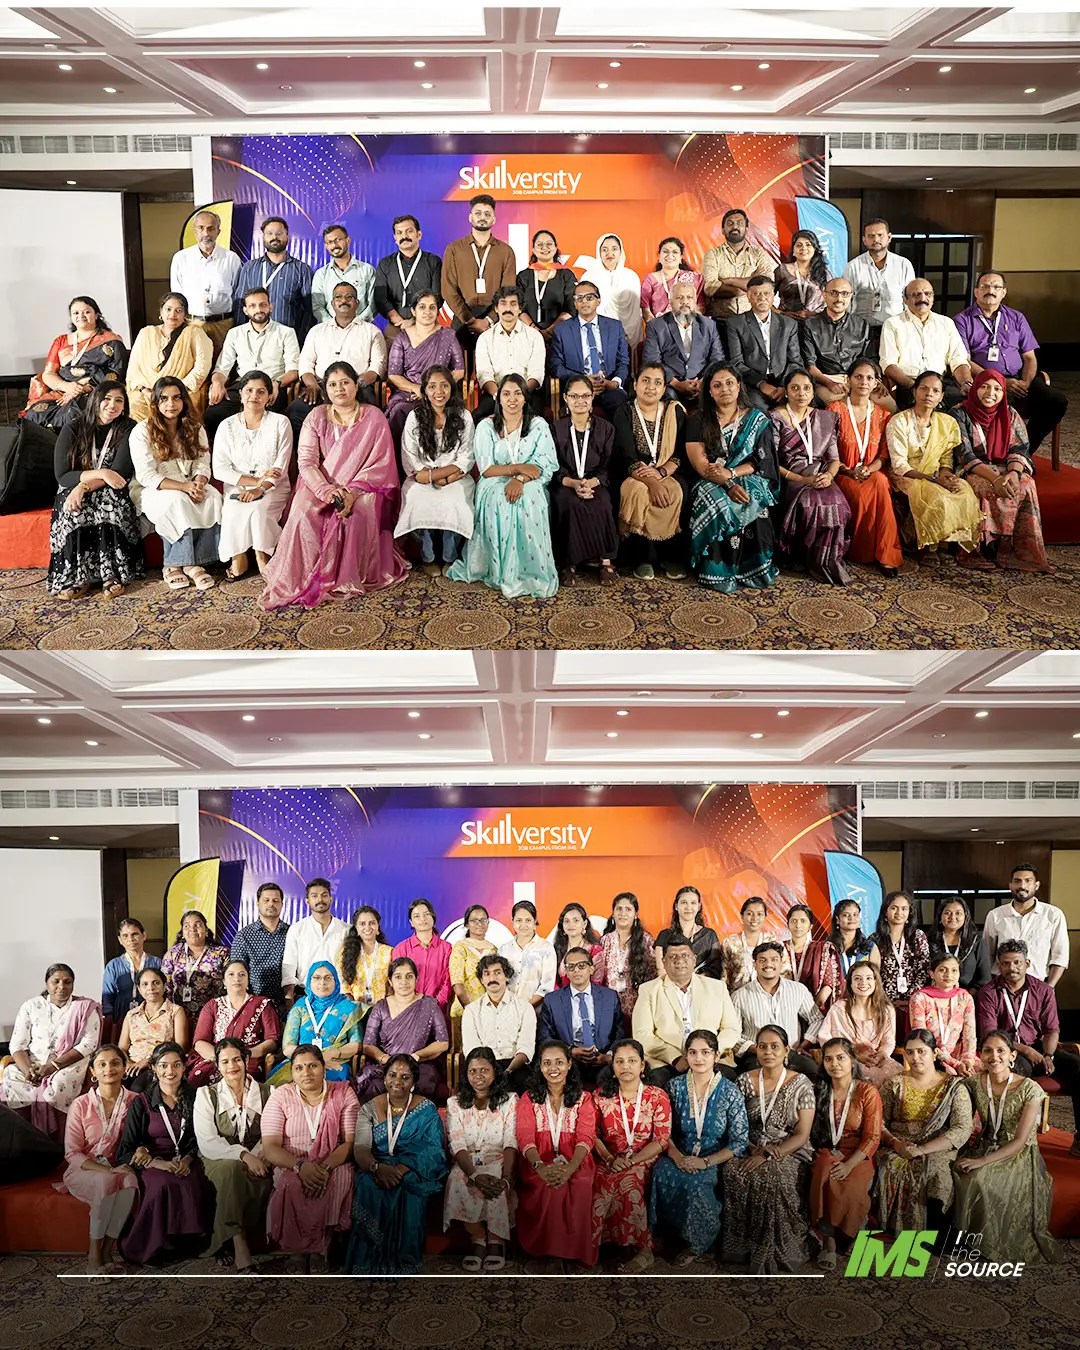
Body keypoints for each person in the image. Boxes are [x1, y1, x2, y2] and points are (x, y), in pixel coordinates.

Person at [261, 362, 408, 610]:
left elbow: (380, 466)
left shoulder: (373, 417)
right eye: (332, 384)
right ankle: (304, 575)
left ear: (356, 385)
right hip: (319, 484)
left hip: (362, 487)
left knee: (359, 512)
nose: (339, 389)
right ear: (326, 389)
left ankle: (349, 576)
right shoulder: (316, 417)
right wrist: (326, 491)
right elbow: (307, 462)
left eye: (345, 382)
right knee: (302, 512)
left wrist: (351, 493)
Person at [952, 1030, 1062, 1264]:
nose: (994, 1056)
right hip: (983, 1144)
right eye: (988, 1051)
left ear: (1012, 1056)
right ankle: (961, 1238)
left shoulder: (1030, 1089)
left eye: (1001, 1050)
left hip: (1017, 1153)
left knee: (980, 1177)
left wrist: (981, 1161)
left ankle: (986, 1243)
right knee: (954, 1171)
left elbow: (1020, 1141)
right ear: (980, 1055)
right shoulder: (973, 1083)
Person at [446, 373, 558, 600]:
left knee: (531, 497)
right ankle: (500, 571)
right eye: (506, 394)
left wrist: (520, 479)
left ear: (525, 397)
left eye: (517, 393)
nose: (512, 399)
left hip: (529, 481)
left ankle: (531, 571)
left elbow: (544, 464)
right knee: (500, 498)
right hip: (493, 481)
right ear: (498, 398)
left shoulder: (538, 425)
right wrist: (518, 468)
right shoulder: (486, 426)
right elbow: (487, 469)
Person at [648, 1029, 748, 1265]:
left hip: (713, 1158)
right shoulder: (674, 1087)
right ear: (686, 1055)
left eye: (705, 1052)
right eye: (692, 1052)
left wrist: (705, 1162)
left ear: (716, 1055)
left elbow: (739, 1140)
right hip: (679, 1154)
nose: (699, 1058)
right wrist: (677, 1157)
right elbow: (663, 1129)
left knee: (695, 1182)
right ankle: (664, 1235)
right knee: (660, 1170)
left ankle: (697, 1243)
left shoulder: (730, 1092)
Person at [345, 1053, 448, 1274]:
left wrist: (401, 1169)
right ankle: (368, 1260)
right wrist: (377, 1168)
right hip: (376, 1165)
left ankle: (404, 1260)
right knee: (368, 1185)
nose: (397, 1081)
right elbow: (361, 1149)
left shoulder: (427, 1109)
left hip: (412, 1167)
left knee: (410, 1187)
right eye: (392, 1075)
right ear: (384, 1078)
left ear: (414, 1082)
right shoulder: (368, 1109)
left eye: (405, 1077)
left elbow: (433, 1150)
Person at [724, 1025, 816, 1274]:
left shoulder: (801, 1084)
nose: (768, 1052)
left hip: (788, 1149)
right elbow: (736, 1124)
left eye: (775, 1046)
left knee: (773, 1175)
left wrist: (768, 1154)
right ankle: (741, 1247)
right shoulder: (744, 1081)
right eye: (762, 1046)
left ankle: (774, 1249)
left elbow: (802, 1135)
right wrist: (752, 1148)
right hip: (749, 1145)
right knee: (733, 1170)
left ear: (786, 1050)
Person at [976, 938, 1080, 1157]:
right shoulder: (989, 992)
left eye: (1017, 962)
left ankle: (1079, 1137)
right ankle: (1006, 1138)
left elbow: (1051, 1030)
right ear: (999, 965)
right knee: (1014, 1071)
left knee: (1077, 1066)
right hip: (1006, 1050)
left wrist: (1048, 1055)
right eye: (1005, 963)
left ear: (1027, 963)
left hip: (1041, 1047)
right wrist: (1026, 1051)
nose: (1011, 968)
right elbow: (990, 1034)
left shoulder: (1043, 990)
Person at [260, 1044, 357, 1271]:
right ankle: (298, 1249)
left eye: (313, 1066)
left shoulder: (343, 1093)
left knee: (340, 1178)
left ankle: (321, 1247)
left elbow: (349, 1143)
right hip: (291, 1163)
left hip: (333, 1162)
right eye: (299, 1068)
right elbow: (271, 1147)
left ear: (324, 1068)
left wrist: (324, 1168)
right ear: (292, 1072)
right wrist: (300, 1166)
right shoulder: (281, 1096)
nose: (306, 1072)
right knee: (290, 1182)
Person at [686, 362, 779, 593]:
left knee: (754, 496)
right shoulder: (699, 419)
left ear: (739, 386)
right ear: (709, 391)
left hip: (746, 473)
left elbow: (762, 461)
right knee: (715, 501)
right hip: (710, 478)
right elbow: (701, 465)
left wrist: (732, 473)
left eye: (729, 383)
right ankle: (717, 571)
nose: (724, 389)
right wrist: (727, 484)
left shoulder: (757, 418)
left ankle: (755, 568)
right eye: (717, 385)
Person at [47, 380, 144, 600]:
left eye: (119, 400)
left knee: (109, 506)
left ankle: (113, 575)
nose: (112, 405)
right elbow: (63, 475)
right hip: (74, 485)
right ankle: (78, 578)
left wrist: (85, 486)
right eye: (106, 399)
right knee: (73, 511)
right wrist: (100, 474)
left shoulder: (129, 428)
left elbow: (118, 473)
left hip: (111, 486)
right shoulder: (73, 427)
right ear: (95, 400)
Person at [954, 270, 1068, 454]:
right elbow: (964, 360)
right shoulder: (962, 320)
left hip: (1018, 380)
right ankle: (990, 453)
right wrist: (1000, 383)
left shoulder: (1016, 317)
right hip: (984, 383)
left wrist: (1025, 383)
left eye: (996, 287)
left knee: (1056, 401)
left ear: (1003, 292)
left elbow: (1029, 357)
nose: (990, 290)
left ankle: (1022, 452)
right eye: (985, 286)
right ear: (976, 291)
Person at [116, 1041, 209, 1264]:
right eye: (164, 1065)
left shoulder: (196, 1097)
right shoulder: (142, 1102)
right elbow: (126, 1149)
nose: (170, 1071)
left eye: (176, 1065)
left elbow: (202, 1138)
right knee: (162, 1183)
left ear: (184, 1067)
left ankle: (186, 1242)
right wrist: (155, 1162)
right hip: (153, 1162)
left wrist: (187, 1159)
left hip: (188, 1158)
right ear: (154, 1068)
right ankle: (150, 1245)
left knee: (195, 1178)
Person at [129, 377, 222, 593]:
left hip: (189, 482)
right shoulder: (142, 431)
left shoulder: (194, 427)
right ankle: (175, 564)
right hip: (153, 489)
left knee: (213, 497)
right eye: (164, 399)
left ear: (184, 400)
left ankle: (198, 561)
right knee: (177, 501)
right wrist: (185, 488)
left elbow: (202, 463)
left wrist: (199, 483)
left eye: (176, 398)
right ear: (155, 402)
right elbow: (146, 476)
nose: (170, 404)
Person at [875, 1028, 973, 1233]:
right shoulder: (894, 1084)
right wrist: (897, 1145)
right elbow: (878, 1123)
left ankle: (935, 1233)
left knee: (935, 1173)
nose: (915, 1058)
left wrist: (922, 1150)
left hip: (937, 1147)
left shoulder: (954, 1087)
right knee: (889, 1166)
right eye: (910, 1052)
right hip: (898, 1145)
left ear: (935, 1053)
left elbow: (962, 1128)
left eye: (921, 1051)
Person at [952, 370, 1050, 573]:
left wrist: (1013, 474)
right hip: (973, 468)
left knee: (1026, 485)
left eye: (997, 389)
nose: (991, 393)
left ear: (1003, 392)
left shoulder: (1010, 414)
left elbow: (1020, 448)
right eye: (985, 387)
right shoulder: (960, 413)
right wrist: (995, 478)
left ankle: (1012, 550)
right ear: (975, 388)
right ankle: (979, 550)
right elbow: (964, 454)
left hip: (1006, 467)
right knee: (981, 487)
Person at [515, 1040, 598, 1270]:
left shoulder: (584, 1098)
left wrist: (570, 1168)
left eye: (559, 1062)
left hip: (576, 1159)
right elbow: (525, 1137)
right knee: (546, 1186)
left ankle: (574, 1252)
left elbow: (585, 1136)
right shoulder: (529, 1098)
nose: (553, 1068)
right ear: (540, 1067)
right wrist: (541, 1167)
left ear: (569, 1064)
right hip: (537, 1159)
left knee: (580, 1183)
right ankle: (548, 1252)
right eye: (547, 1063)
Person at [591, 1037, 672, 1272]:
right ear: (612, 1066)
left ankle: (643, 1250)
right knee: (598, 1183)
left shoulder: (657, 1096)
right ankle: (597, 1247)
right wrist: (609, 1159)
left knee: (630, 1185)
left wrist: (633, 1161)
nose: (625, 1066)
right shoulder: (600, 1096)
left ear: (642, 1065)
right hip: (609, 1158)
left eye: (632, 1061)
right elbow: (592, 1134)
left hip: (644, 1158)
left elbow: (661, 1139)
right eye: (619, 1061)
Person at [193, 1036, 273, 1272]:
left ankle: (227, 1240)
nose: (232, 1066)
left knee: (264, 1175)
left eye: (237, 1059)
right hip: (217, 1158)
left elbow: (272, 1132)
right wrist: (244, 1156)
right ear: (217, 1065)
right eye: (225, 1061)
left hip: (260, 1156)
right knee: (232, 1170)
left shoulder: (269, 1092)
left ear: (246, 1060)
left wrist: (257, 1155)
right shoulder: (206, 1095)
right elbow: (207, 1142)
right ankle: (239, 1243)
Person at [58, 1044, 138, 1273]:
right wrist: (108, 1171)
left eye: (115, 1063)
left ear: (124, 1067)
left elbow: (140, 1139)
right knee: (106, 1181)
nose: (108, 1069)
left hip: (120, 1167)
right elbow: (72, 1153)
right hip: (84, 1169)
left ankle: (107, 1250)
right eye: (101, 1064)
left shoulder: (135, 1101)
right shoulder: (81, 1104)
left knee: (131, 1182)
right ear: (93, 1071)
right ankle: (94, 1255)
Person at [885, 370, 981, 560]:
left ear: (941, 396)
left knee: (963, 490)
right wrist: (934, 480)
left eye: (935, 391)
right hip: (907, 475)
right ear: (914, 392)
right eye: (924, 389)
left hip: (936, 474)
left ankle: (945, 545)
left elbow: (946, 459)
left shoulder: (947, 423)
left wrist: (946, 475)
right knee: (937, 496)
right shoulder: (899, 421)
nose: (929, 394)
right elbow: (899, 465)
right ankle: (929, 547)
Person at [772, 369, 852, 585]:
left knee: (836, 502)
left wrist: (829, 476)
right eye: (795, 388)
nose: (801, 393)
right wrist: (802, 480)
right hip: (790, 475)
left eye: (806, 388)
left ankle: (826, 559)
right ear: (786, 392)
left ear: (813, 392)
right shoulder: (776, 418)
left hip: (820, 473)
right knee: (810, 502)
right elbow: (771, 462)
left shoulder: (824, 418)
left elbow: (834, 459)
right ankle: (801, 556)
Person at [809, 1037, 882, 1270]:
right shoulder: (819, 1090)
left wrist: (849, 1164)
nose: (835, 1064)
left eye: (841, 1058)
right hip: (827, 1150)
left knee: (851, 1185)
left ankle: (855, 1231)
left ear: (852, 1060)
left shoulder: (867, 1092)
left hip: (858, 1155)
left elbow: (873, 1137)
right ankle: (829, 1241)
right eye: (828, 1059)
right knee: (823, 1170)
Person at [212, 369, 293, 581]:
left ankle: (262, 554)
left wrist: (261, 487)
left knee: (258, 509)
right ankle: (238, 557)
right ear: (240, 394)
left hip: (273, 487)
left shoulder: (280, 422)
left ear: (269, 396)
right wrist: (254, 481)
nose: (254, 396)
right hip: (238, 485)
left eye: (261, 392)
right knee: (233, 508)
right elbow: (220, 469)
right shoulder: (226, 426)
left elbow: (281, 466)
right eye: (249, 390)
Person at [0, 963, 100, 1133]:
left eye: (67, 982)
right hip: (33, 1064)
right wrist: (27, 1070)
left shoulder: (84, 1008)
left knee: (58, 1085)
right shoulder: (31, 1006)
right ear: (47, 983)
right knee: (11, 1075)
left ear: (73, 984)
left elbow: (89, 1044)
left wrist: (53, 1066)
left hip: (67, 1064)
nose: (62, 987)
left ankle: (50, 1139)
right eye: (56, 981)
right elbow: (17, 1044)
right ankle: (22, 1134)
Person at [394, 363, 474, 575]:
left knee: (455, 500)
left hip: (455, 477)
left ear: (452, 388)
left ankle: (449, 557)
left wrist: (443, 477)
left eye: (444, 386)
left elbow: (467, 456)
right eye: (432, 386)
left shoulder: (464, 416)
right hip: (421, 476)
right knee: (417, 498)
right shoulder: (415, 417)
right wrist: (430, 476)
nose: (439, 392)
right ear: (424, 390)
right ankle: (428, 558)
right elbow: (410, 457)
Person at [443, 1047, 517, 1272]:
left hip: (498, 1158)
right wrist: (474, 1175)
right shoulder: (454, 1103)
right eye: (473, 1071)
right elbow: (457, 1144)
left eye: (484, 1070)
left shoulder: (510, 1100)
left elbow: (510, 1141)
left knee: (496, 1178)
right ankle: (477, 1238)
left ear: (495, 1072)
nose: (478, 1076)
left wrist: (507, 1177)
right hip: (469, 1162)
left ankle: (496, 1240)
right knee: (456, 1178)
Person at [612, 363, 689, 579]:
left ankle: (670, 557)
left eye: (657, 382)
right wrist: (652, 483)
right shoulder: (624, 412)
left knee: (675, 492)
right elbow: (626, 456)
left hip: (668, 470)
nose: (651, 387)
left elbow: (681, 452)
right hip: (634, 472)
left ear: (664, 389)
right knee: (638, 492)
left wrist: (662, 473)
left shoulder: (675, 411)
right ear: (635, 384)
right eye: (645, 381)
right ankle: (641, 558)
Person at [633, 939, 740, 1087]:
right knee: (658, 1082)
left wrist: (708, 1053)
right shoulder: (649, 990)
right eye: (673, 957)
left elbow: (732, 1029)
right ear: (663, 962)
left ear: (694, 959)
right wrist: (675, 1058)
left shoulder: (717, 987)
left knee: (726, 1081)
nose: (679, 960)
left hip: (712, 1060)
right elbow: (642, 1034)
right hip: (667, 1062)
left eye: (685, 955)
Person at [288, 282, 388, 441]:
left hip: (358, 387)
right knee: (296, 411)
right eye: (339, 297)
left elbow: (378, 367)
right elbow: (305, 365)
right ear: (332, 303)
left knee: (369, 414)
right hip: (320, 387)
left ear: (357, 303)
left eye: (349, 297)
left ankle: (359, 453)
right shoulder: (316, 331)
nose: (344, 301)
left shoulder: (372, 331)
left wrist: (354, 386)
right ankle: (307, 453)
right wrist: (312, 385)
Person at [830, 357, 902, 576]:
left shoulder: (883, 415)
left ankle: (888, 554)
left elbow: (883, 455)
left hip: (871, 471)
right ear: (848, 380)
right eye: (858, 377)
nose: (863, 382)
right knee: (862, 493)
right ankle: (861, 551)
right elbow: (828, 451)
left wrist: (869, 469)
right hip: (842, 472)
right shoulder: (834, 410)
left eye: (869, 378)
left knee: (880, 482)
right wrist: (848, 470)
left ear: (876, 383)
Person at [550, 375, 619, 584]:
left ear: (592, 397)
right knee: (568, 502)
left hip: (595, 481)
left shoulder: (606, 429)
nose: (580, 401)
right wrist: (573, 483)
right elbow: (553, 465)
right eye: (574, 396)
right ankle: (568, 563)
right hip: (566, 482)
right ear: (565, 398)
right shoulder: (555, 429)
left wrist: (592, 482)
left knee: (603, 501)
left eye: (585, 396)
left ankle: (605, 560)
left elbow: (608, 466)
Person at [205, 287, 300, 438]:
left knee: (264, 420)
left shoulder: (286, 332)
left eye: (263, 305)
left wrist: (277, 383)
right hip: (242, 387)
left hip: (271, 388)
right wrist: (217, 382)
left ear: (270, 306)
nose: (258, 310)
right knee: (213, 415)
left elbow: (293, 370)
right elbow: (222, 368)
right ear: (245, 310)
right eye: (252, 306)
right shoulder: (235, 333)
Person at [22, 295, 126, 430]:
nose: (81, 316)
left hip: (95, 391)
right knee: (34, 414)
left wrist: (83, 388)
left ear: (96, 315)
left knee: (72, 414)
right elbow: (48, 374)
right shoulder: (61, 341)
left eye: (86, 312)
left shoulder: (112, 341)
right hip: (62, 391)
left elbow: (116, 374)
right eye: (76, 313)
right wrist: (67, 387)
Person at [355, 957, 449, 1103]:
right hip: (386, 1064)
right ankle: (380, 1117)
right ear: (390, 981)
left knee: (421, 1082)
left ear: (416, 979)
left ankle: (416, 1117)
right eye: (398, 977)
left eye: (409, 976)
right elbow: (368, 1045)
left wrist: (417, 1056)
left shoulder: (429, 1005)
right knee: (376, 1085)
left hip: (419, 1064)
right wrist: (384, 1059)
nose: (404, 982)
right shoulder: (380, 1007)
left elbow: (442, 1043)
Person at [441, 194, 517, 358]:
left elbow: (508, 291)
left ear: (494, 219)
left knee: (495, 369)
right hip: (462, 319)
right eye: (478, 213)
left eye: (487, 214)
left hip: (495, 320)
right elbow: (448, 289)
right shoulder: (454, 249)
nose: (482, 217)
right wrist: (470, 320)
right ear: (470, 217)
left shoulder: (506, 251)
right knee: (460, 370)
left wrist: (489, 320)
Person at [733, 941, 823, 1078]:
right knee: (749, 1078)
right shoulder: (739, 996)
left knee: (816, 1074)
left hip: (790, 1053)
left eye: (774, 959)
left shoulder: (798, 990)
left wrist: (804, 1044)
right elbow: (733, 1034)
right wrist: (757, 1049)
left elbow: (817, 1019)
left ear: (781, 963)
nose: (768, 964)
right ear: (754, 965)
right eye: (762, 960)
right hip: (757, 1056)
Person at [384, 291, 464, 445]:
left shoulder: (448, 335)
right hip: (410, 392)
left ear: (437, 311)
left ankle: (445, 455)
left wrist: (438, 387)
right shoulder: (402, 337)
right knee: (399, 409)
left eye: (432, 307)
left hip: (441, 393)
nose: (427, 311)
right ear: (413, 311)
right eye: (422, 307)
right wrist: (416, 388)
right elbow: (394, 374)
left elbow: (459, 370)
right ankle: (400, 458)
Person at [187, 958, 281, 1088]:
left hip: (248, 1059)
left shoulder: (262, 1004)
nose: (237, 979)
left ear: (248, 980)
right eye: (231, 974)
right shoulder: (212, 1006)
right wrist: (222, 1059)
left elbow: (272, 1040)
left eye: (242, 974)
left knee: (244, 1078)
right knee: (198, 1078)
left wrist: (245, 1055)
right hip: (215, 1058)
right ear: (224, 981)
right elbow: (199, 1042)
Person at [881, 280, 973, 409]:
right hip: (909, 384)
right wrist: (915, 387)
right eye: (916, 295)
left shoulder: (946, 323)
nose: (922, 298)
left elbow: (958, 360)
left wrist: (966, 383)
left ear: (933, 298)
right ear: (905, 300)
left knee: (964, 405)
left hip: (941, 383)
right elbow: (888, 364)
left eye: (927, 294)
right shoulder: (893, 324)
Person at [538, 948, 623, 1086]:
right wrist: (569, 1051)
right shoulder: (552, 1000)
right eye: (571, 967)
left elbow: (619, 1031)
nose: (576, 970)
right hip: (569, 1060)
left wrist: (609, 1056)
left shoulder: (609, 996)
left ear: (591, 969)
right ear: (566, 972)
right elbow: (545, 1037)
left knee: (608, 1079)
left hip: (603, 1058)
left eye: (581, 966)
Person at [126, 292, 213, 423]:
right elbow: (134, 368)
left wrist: (176, 392)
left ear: (185, 315)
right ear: (161, 312)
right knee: (135, 400)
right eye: (168, 309)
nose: (173, 314)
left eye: (179, 310)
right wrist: (145, 390)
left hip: (182, 390)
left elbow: (202, 367)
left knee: (184, 403)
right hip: (148, 391)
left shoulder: (195, 333)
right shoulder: (146, 333)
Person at [550, 281, 630, 418]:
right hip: (577, 388)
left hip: (608, 385)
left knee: (621, 402)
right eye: (579, 298)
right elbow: (556, 366)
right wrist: (582, 380)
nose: (584, 302)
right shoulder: (562, 330)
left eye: (589, 297)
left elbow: (623, 362)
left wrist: (614, 382)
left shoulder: (614, 326)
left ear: (598, 301)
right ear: (575, 303)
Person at [170, 209, 241, 360]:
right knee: (195, 365)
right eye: (201, 228)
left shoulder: (231, 258)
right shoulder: (181, 258)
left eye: (211, 228)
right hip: (192, 324)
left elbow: (237, 293)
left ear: (218, 232)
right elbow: (176, 296)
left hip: (223, 325)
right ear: (195, 231)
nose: (206, 233)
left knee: (223, 367)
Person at [816, 960, 900, 1086]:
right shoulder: (839, 1009)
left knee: (899, 1079)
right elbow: (826, 1040)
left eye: (868, 978)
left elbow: (888, 1041)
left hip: (878, 1059)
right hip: (847, 1060)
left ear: (876, 981)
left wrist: (881, 1055)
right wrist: (854, 1055)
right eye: (857, 978)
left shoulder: (887, 1010)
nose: (863, 983)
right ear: (850, 983)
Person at [982, 863, 1069, 985]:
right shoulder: (995, 915)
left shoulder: (1053, 915)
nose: (1022, 886)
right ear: (1010, 885)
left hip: (1039, 984)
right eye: (1017, 881)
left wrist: (1049, 987)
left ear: (1036, 885)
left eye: (1028, 881)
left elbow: (1060, 956)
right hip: (1001, 984)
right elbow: (986, 956)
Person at [642, 281, 725, 408]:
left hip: (703, 382)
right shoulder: (656, 326)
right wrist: (675, 383)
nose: (685, 302)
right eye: (679, 297)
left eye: (689, 297)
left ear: (695, 301)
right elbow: (652, 361)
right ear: (670, 302)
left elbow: (717, 358)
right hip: (670, 384)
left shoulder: (709, 325)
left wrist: (703, 381)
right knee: (667, 398)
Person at [801, 277, 881, 409]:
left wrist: (876, 380)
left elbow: (870, 360)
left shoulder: (862, 325)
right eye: (834, 293)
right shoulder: (810, 325)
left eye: (844, 294)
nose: (839, 298)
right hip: (825, 379)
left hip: (860, 379)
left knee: (889, 404)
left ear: (851, 296)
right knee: (838, 406)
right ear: (824, 295)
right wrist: (829, 382)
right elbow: (810, 366)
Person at [726, 275, 802, 413]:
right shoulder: (735, 324)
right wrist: (761, 384)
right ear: (749, 297)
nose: (762, 298)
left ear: (773, 296)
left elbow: (795, 360)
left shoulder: (788, 324)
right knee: (759, 408)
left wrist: (785, 385)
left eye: (766, 293)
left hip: (784, 380)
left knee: (801, 402)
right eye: (756, 294)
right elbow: (737, 363)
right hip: (752, 382)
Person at [276, 961, 361, 1084]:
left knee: (334, 1077)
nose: (322, 982)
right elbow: (288, 1047)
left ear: (336, 981)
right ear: (309, 982)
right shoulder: (300, 1007)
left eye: (328, 978)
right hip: (300, 1062)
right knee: (284, 1082)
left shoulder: (348, 1007)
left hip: (334, 1061)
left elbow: (356, 1044)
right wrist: (313, 1060)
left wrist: (332, 1054)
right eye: (316, 978)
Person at [460, 954, 536, 1093]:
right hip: (482, 1066)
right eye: (487, 974)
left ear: (506, 976)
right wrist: (487, 1071)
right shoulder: (471, 1010)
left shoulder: (524, 1008)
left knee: (528, 1085)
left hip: (515, 1066)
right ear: (482, 980)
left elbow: (526, 1048)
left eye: (497, 972)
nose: (492, 978)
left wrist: (507, 1072)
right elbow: (472, 1049)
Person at [232, 216, 314, 341]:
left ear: (287, 236)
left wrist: (301, 340)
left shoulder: (302, 270)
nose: (274, 237)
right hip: (253, 338)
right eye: (269, 233)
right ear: (263, 237)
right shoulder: (249, 268)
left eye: (279, 233)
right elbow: (240, 304)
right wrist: (240, 338)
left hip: (287, 339)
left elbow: (310, 310)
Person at [474, 286, 547, 420]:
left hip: (527, 393)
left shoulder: (534, 336)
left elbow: (536, 374)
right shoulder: (485, 338)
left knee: (538, 421)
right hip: (495, 394)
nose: (508, 308)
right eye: (503, 303)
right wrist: (501, 395)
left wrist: (519, 395)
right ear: (496, 308)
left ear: (520, 309)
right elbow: (484, 375)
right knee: (480, 419)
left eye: (513, 304)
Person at [842, 218, 914, 351]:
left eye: (880, 235)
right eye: (871, 236)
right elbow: (846, 300)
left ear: (889, 237)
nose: (876, 239)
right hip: (861, 330)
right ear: (864, 240)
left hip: (895, 328)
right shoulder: (853, 266)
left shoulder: (904, 265)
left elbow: (910, 299)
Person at [373, 214, 443, 346]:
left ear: (419, 234)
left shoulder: (433, 262)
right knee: (391, 356)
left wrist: (414, 321)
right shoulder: (385, 264)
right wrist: (398, 320)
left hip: (426, 324)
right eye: (399, 233)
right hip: (395, 327)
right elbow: (380, 298)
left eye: (409, 231)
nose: (404, 236)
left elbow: (437, 296)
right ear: (395, 238)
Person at [118, 966, 189, 1092]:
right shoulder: (131, 1014)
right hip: (132, 1065)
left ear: (164, 986)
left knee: (137, 1088)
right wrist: (127, 1063)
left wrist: (148, 1061)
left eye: (156, 983)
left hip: (160, 1064)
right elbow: (122, 1048)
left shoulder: (175, 1011)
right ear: (139, 989)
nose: (150, 988)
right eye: (145, 984)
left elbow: (180, 1047)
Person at [908, 951, 979, 1077]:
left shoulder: (965, 997)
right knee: (951, 1077)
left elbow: (970, 1037)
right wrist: (954, 1063)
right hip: (930, 1056)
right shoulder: (920, 998)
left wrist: (967, 1060)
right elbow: (922, 1040)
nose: (948, 975)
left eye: (954, 970)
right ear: (932, 974)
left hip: (959, 1056)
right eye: (942, 970)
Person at [279, 881, 348, 1007]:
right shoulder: (297, 929)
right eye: (314, 896)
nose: (320, 899)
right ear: (307, 901)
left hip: (338, 998)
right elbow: (289, 967)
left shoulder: (346, 930)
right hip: (305, 997)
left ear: (331, 898)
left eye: (324, 895)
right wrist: (289, 999)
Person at [230, 882, 290, 1016]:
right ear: (258, 903)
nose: (271, 904)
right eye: (266, 900)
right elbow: (236, 973)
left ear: (282, 904)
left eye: (275, 900)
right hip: (254, 1004)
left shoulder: (293, 933)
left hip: (288, 1003)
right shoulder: (244, 936)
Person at [702, 209, 773, 322]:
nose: (735, 226)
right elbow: (709, 288)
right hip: (720, 319)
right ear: (723, 230)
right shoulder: (713, 254)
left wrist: (729, 281)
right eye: (730, 223)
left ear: (746, 229)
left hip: (753, 319)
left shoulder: (759, 254)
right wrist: (743, 291)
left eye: (740, 223)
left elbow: (766, 284)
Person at [160, 910, 230, 1025]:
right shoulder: (173, 953)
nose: (192, 929)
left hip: (214, 1015)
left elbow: (231, 984)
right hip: (179, 1016)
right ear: (182, 932)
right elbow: (165, 986)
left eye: (197, 925)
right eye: (187, 926)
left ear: (206, 930)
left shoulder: (222, 953)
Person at [598, 892, 656, 1023]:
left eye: (628, 909)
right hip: (609, 1007)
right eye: (619, 909)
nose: (623, 913)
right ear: (613, 913)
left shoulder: (646, 941)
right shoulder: (605, 941)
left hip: (638, 1006)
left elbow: (653, 977)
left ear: (636, 914)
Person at [100, 916, 162, 1032]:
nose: (131, 939)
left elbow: (165, 992)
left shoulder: (157, 963)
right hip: (122, 1018)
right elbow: (107, 997)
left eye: (135, 934)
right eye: (125, 936)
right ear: (120, 940)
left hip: (152, 1017)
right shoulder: (113, 966)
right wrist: (110, 1021)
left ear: (144, 935)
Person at [582, 232, 643, 348]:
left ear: (621, 252)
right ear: (599, 252)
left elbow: (635, 311)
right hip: (597, 335)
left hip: (627, 335)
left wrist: (624, 331)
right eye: (604, 250)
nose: (609, 253)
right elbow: (585, 308)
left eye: (614, 249)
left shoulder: (631, 277)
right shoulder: (589, 277)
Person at [391, 898, 453, 1012]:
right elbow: (398, 982)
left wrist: (434, 1005)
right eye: (417, 916)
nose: (422, 919)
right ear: (411, 922)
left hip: (438, 1011)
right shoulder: (401, 949)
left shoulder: (446, 948)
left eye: (426, 914)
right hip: (407, 1010)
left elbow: (448, 982)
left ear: (433, 917)